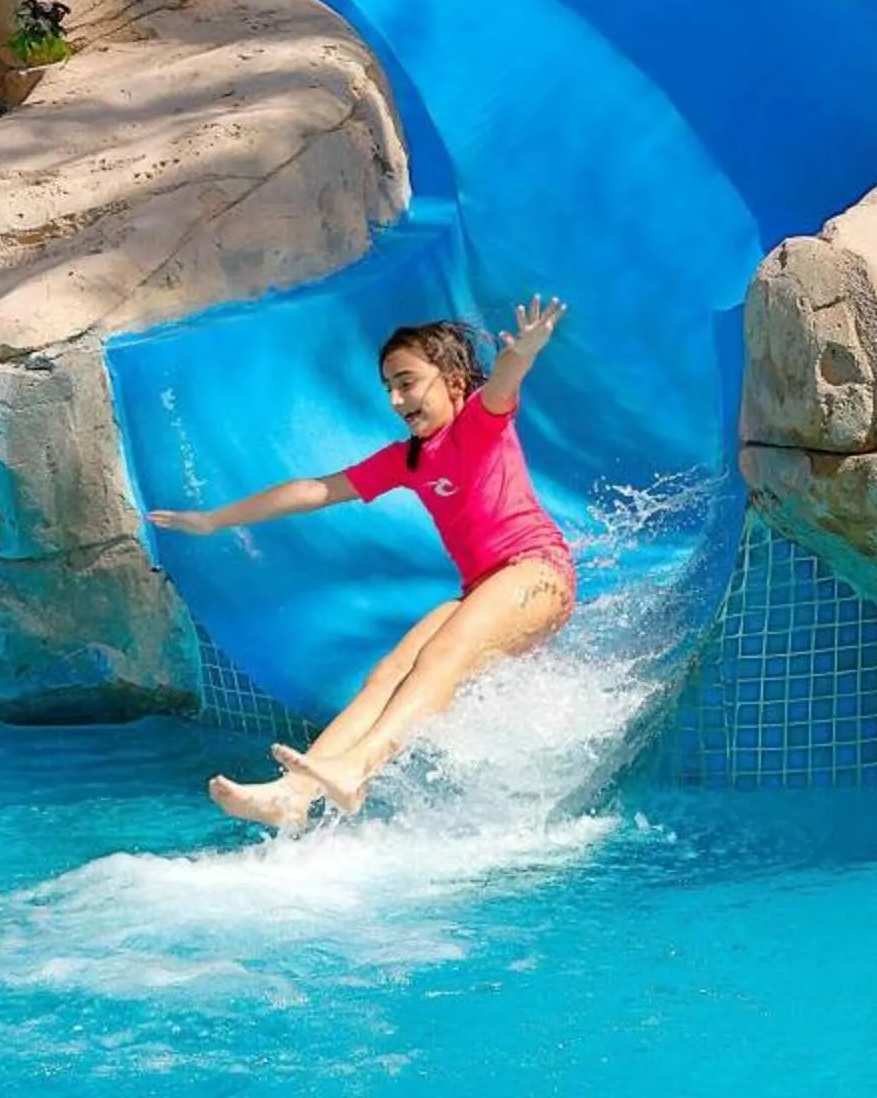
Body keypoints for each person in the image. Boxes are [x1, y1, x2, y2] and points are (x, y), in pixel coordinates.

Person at [149, 297, 579, 826]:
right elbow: (314, 490)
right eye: (390, 389)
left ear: (452, 378)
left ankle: (358, 768)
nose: (397, 399)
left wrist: (525, 351)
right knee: (388, 673)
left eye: (407, 381)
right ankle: (296, 793)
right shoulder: (410, 459)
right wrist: (215, 520)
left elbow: (504, 381)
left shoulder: (477, 423)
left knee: (442, 652)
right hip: (485, 587)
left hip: (538, 574)